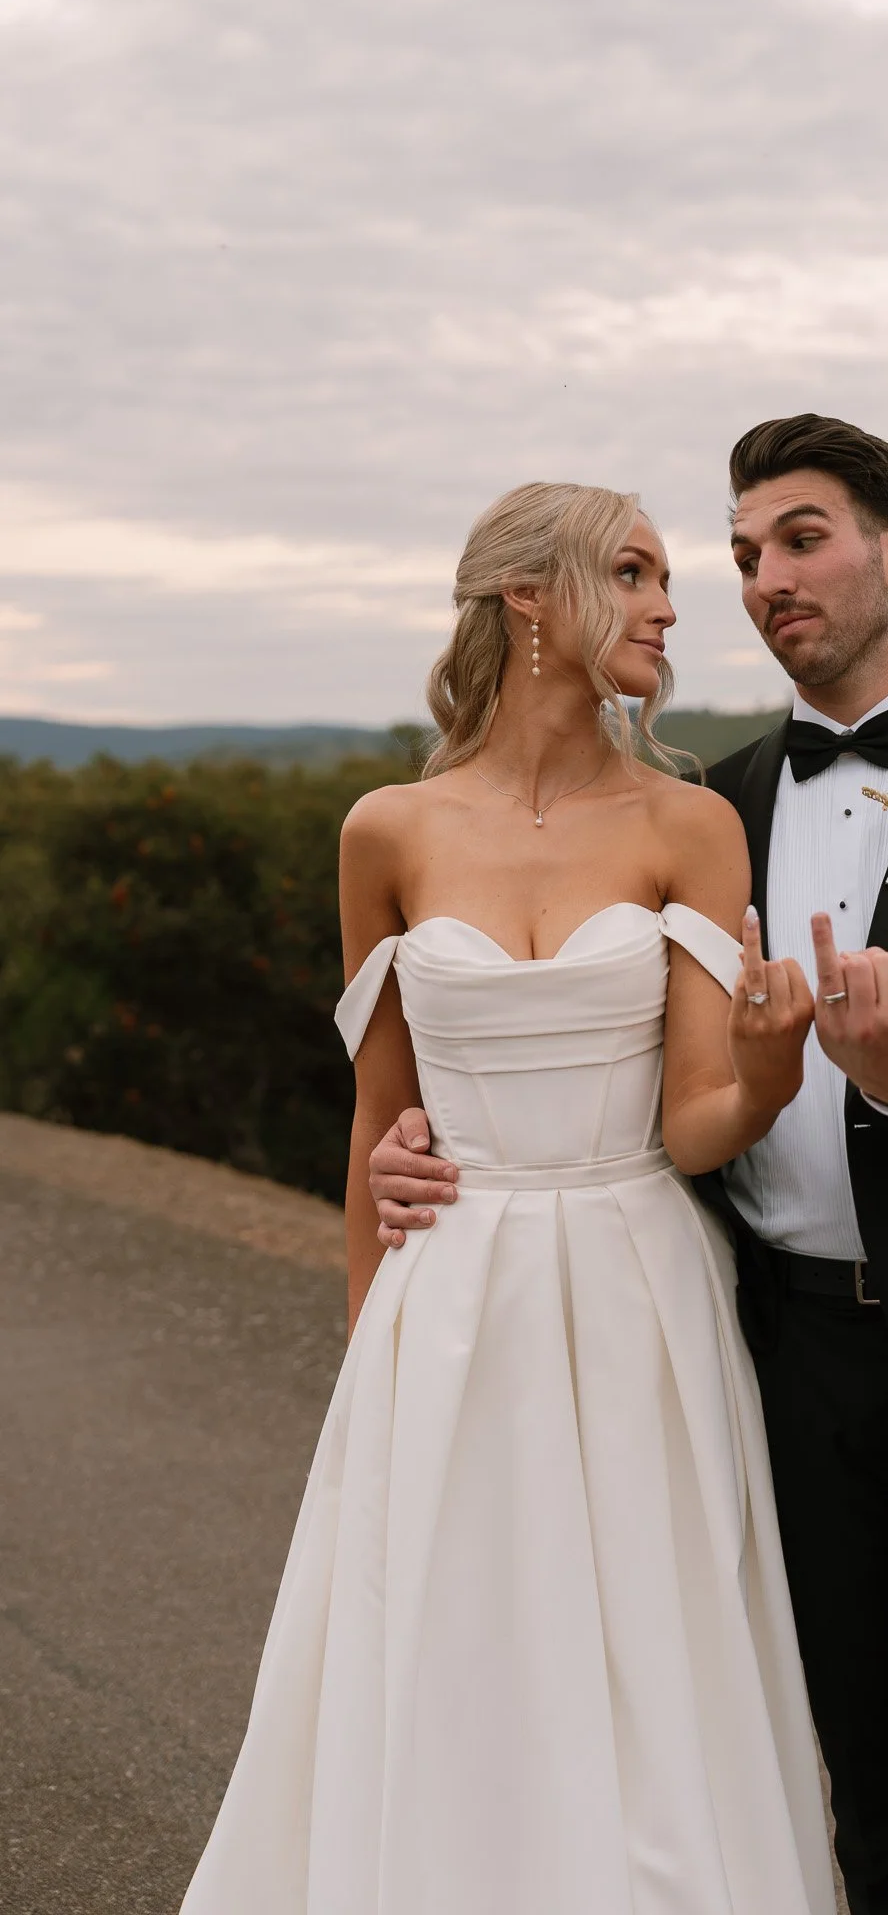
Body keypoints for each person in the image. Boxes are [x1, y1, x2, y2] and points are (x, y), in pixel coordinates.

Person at [372, 416, 888, 1915]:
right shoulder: (704, 805)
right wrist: (429, 1136)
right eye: (741, 556)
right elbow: (636, 1080)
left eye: (800, 539)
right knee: (863, 1791)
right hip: (776, 1359)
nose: (761, 577)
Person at [178, 481, 838, 1915]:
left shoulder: (693, 823)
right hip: (449, 1293)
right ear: (528, 598)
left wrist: (778, 1076)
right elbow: (378, 1118)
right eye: (637, 572)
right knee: (445, 1643)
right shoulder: (386, 833)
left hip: (635, 1285)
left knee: (645, 1673)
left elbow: (699, 1124)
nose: (674, 604)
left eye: (672, 578)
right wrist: (373, 1359)